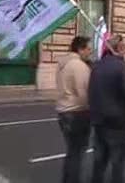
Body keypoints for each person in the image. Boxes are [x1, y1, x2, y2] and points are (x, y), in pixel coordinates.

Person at [89, 35, 125, 183]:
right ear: (117, 49)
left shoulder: (97, 66)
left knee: (99, 159)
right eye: (123, 48)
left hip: (99, 121)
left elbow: (91, 92)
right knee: (117, 161)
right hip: (118, 122)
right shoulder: (121, 66)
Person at [56, 36, 92, 183]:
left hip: (63, 111)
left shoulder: (62, 63)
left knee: (71, 151)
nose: (90, 52)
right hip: (77, 113)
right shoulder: (78, 66)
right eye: (88, 49)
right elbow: (84, 92)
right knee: (77, 152)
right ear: (80, 49)